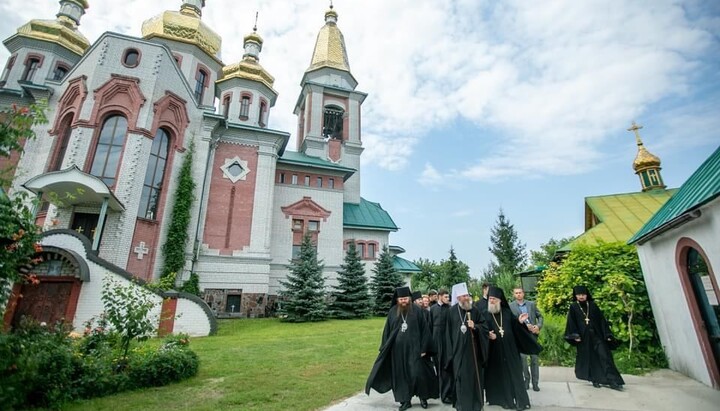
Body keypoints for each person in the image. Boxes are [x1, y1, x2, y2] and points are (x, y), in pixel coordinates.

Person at [366, 286, 432, 411]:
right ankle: (405, 401)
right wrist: (384, 348)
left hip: (415, 350)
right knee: (401, 376)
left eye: (405, 298)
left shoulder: (417, 311)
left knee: (418, 374)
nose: (403, 301)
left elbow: (425, 330)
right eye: (401, 299)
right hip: (397, 352)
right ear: (397, 300)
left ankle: (423, 398)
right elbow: (387, 332)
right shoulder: (392, 312)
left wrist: (424, 348)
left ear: (409, 299)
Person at [484, 287, 542, 411]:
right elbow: (482, 329)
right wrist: (488, 334)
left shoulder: (507, 312)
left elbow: (515, 326)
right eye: (490, 299)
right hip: (495, 351)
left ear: (500, 300)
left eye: (494, 299)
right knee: (500, 375)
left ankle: (521, 401)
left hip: (511, 350)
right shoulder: (485, 314)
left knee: (516, 375)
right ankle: (504, 400)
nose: (491, 301)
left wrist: (520, 322)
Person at [564, 285, 624, 391]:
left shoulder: (592, 305)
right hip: (584, 338)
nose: (581, 297)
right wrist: (575, 335)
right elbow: (571, 322)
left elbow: (601, 320)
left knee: (605, 356)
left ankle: (613, 381)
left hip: (597, 336)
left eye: (583, 294)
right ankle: (594, 379)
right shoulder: (573, 306)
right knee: (589, 359)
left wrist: (607, 335)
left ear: (586, 295)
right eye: (579, 295)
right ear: (576, 296)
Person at [445, 282, 488, 411]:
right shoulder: (451, 312)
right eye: (463, 296)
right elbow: (447, 334)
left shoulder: (474, 310)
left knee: (475, 378)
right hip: (458, 352)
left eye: (467, 295)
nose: (467, 298)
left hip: (473, 352)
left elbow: (484, 327)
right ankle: (462, 405)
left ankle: (476, 405)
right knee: (461, 379)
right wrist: (450, 353)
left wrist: (475, 326)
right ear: (458, 298)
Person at [509, 287, 543, 391]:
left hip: (532, 335)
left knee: (534, 359)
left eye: (520, 292)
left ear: (523, 294)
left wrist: (538, 326)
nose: (518, 294)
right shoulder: (511, 306)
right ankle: (526, 380)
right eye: (516, 293)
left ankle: (535, 383)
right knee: (523, 359)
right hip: (520, 337)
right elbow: (510, 321)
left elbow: (540, 316)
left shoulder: (531, 304)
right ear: (514, 294)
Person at [429, 288, 453, 404]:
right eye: (445, 297)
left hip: (447, 341)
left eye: (448, 297)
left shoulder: (450, 309)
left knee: (446, 367)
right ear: (439, 297)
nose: (448, 299)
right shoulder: (432, 309)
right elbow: (429, 326)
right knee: (438, 366)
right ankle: (439, 390)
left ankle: (446, 393)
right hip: (436, 341)